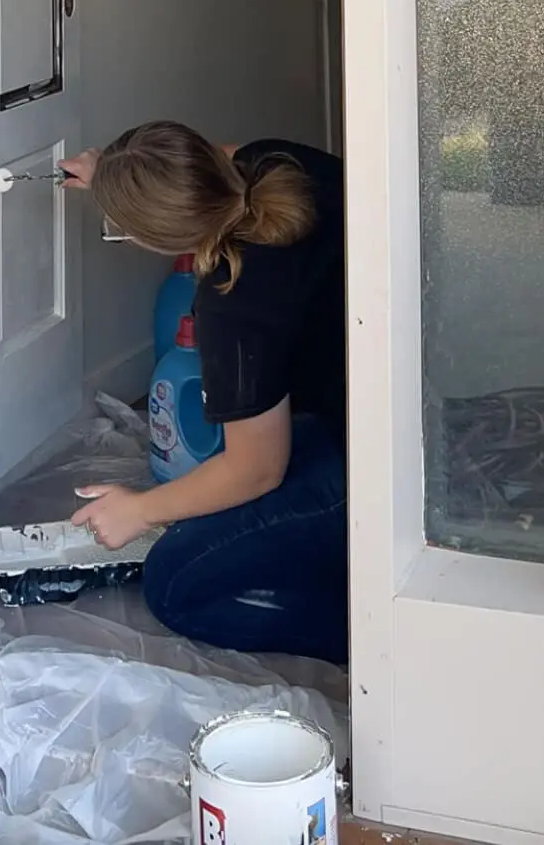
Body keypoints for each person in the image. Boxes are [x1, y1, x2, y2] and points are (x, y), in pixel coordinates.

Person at [59, 122, 347, 666]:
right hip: (404, 401)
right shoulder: (275, 158)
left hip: (373, 466)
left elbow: (257, 469)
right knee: (209, 494)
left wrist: (139, 511)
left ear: (151, 238)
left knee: (176, 584)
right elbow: (200, 161)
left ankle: (382, 631)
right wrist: (116, 176)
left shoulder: (234, 303)